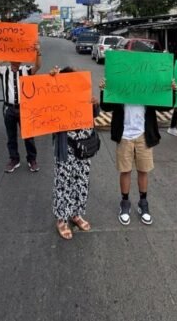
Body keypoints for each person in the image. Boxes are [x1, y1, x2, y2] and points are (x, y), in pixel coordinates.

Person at [99, 77, 173, 225]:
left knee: (143, 170)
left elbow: (165, 107)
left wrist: (171, 91)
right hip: (124, 135)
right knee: (125, 170)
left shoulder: (149, 85)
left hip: (144, 135)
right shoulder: (120, 83)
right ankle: (125, 202)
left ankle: (143, 202)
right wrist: (104, 91)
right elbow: (106, 107)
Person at [49, 66, 100, 239]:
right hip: (66, 147)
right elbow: (44, 107)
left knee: (81, 181)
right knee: (64, 183)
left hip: (84, 147)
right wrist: (51, 82)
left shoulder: (83, 95)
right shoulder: (56, 97)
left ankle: (76, 214)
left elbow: (95, 114)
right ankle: (61, 219)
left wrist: (95, 104)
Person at [0, 43, 42, 173]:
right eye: (13, 58)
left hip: (24, 108)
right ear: (10, 59)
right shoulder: (3, 71)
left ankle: (32, 159)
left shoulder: (26, 70)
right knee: (11, 136)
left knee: (28, 136)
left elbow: (38, 66)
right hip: (9, 109)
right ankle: (14, 159)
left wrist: (38, 52)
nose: (16, 60)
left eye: (18, 58)